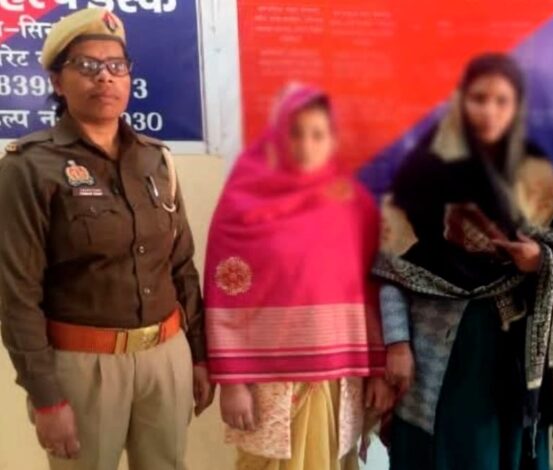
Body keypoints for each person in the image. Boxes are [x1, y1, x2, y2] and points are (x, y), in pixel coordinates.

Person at [0, 8, 213, 470]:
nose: (105, 77)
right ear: (58, 82)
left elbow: (181, 266)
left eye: (116, 65)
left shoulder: (157, 161)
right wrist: (46, 397)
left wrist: (198, 356)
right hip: (83, 366)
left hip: (166, 357)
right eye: (87, 65)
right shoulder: (28, 167)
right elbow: (17, 294)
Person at [374, 53, 553, 470]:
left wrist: (541, 261)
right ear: (460, 101)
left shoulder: (540, 175)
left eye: (502, 100)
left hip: (511, 347)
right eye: (479, 98)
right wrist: (396, 343)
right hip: (435, 345)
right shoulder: (421, 169)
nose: (489, 111)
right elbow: (390, 263)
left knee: (498, 448)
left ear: (517, 107)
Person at [203, 84, 394, 470]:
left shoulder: (353, 205)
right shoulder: (242, 204)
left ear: (334, 140)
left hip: (339, 379)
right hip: (268, 384)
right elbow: (225, 291)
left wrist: (377, 371)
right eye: (295, 133)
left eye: (318, 135)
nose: (306, 145)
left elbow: (370, 290)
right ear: (277, 137)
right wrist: (232, 381)